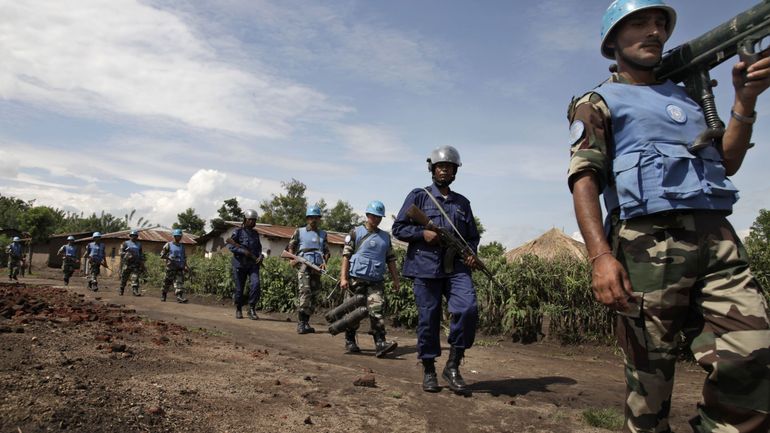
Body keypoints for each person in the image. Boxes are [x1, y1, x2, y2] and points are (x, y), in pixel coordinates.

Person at [567, 1, 770, 431]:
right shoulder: (599, 100)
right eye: (639, 23)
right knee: (650, 382)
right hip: (647, 246)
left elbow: (726, 162)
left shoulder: (689, 96)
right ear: (612, 41)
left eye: (659, 23)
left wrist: (745, 101)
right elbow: (584, 178)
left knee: (756, 354)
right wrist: (600, 257)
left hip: (718, 239)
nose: (653, 31)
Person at [392, 146, 480, 395]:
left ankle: (452, 365)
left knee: (468, 309)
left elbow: (472, 237)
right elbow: (398, 228)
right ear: (432, 169)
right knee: (428, 319)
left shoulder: (462, 203)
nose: (445, 170)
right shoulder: (418, 196)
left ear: (455, 172)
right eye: (441, 166)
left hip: (457, 267)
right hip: (425, 267)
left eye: (450, 167)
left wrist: (471, 254)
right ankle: (429, 369)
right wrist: (422, 233)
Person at [339, 200, 400, 357]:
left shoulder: (385, 237)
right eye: (374, 216)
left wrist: (396, 280)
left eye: (379, 217)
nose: (377, 219)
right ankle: (350, 340)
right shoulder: (355, 233)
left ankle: (380, 343)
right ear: (367, 215)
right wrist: (343, 278)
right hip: (355, 280)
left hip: (375, 281)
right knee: (353, 313)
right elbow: (346, 256)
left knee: (376, 311)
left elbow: (391, 260)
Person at [286, 205, 330, 334]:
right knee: (305, 292)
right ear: (307, 218)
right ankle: (301, 323)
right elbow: (291, 246)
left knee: (314, 295)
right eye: (311, 217)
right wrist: (291, 259)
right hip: (304, 266)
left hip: (316, 268)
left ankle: (306, 322)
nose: (314, 220)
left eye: (316, 217)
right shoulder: (299, 231)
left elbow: (327, 251)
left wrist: (324, 262)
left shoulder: (323, 234)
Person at [226, 209, 263, 320]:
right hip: (240, 265)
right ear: (245, 220)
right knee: (239, 289)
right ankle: (238, 308)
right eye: (250, 220)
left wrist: (261, 256)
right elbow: (231, 246)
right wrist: (244, 252)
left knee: (256, 284)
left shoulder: (256, 234)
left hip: (252, 265)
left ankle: (251, 308)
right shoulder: (238, 232)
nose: (252, 222)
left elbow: (259, 248)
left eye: (254, 220)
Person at [159, 229, 189, 303]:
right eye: (176, 236)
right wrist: (167, 257)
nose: (178, 238)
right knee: (167, 282)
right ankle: (164, 295)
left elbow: (184, 257)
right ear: (174, 236)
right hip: (170, 267)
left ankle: (179, 297)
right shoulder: (168, 244)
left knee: (179, 282)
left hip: (179, 267)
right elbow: (162, 254)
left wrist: (185, 266)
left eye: (179, 236)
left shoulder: (182, 246)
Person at [119, 229, 145, 296]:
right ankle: (121, 289)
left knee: (135, 277)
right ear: (130, 236)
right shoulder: (125, 243)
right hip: (127, 263)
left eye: (135, 236)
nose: (134, 237)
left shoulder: (139, 244)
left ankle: (135, 291)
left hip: (136, 264)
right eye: (132, 236)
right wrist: (127, 254)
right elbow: (120, 252)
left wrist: (142, 263)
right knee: (124, 277)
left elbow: (141, 254)